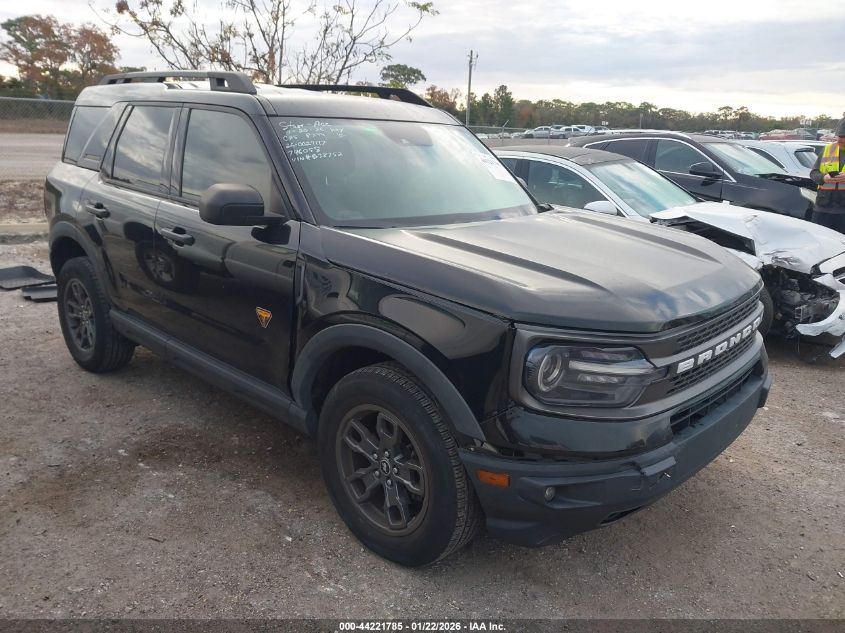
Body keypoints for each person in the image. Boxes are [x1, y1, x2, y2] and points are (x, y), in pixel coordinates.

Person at [809, 118, 845, 233]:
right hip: (822, 209)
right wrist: (823, 177)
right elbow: (813, 173)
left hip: (843, 211)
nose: (842, 140)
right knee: (820, 241)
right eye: (840, 137)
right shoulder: (828, 149)